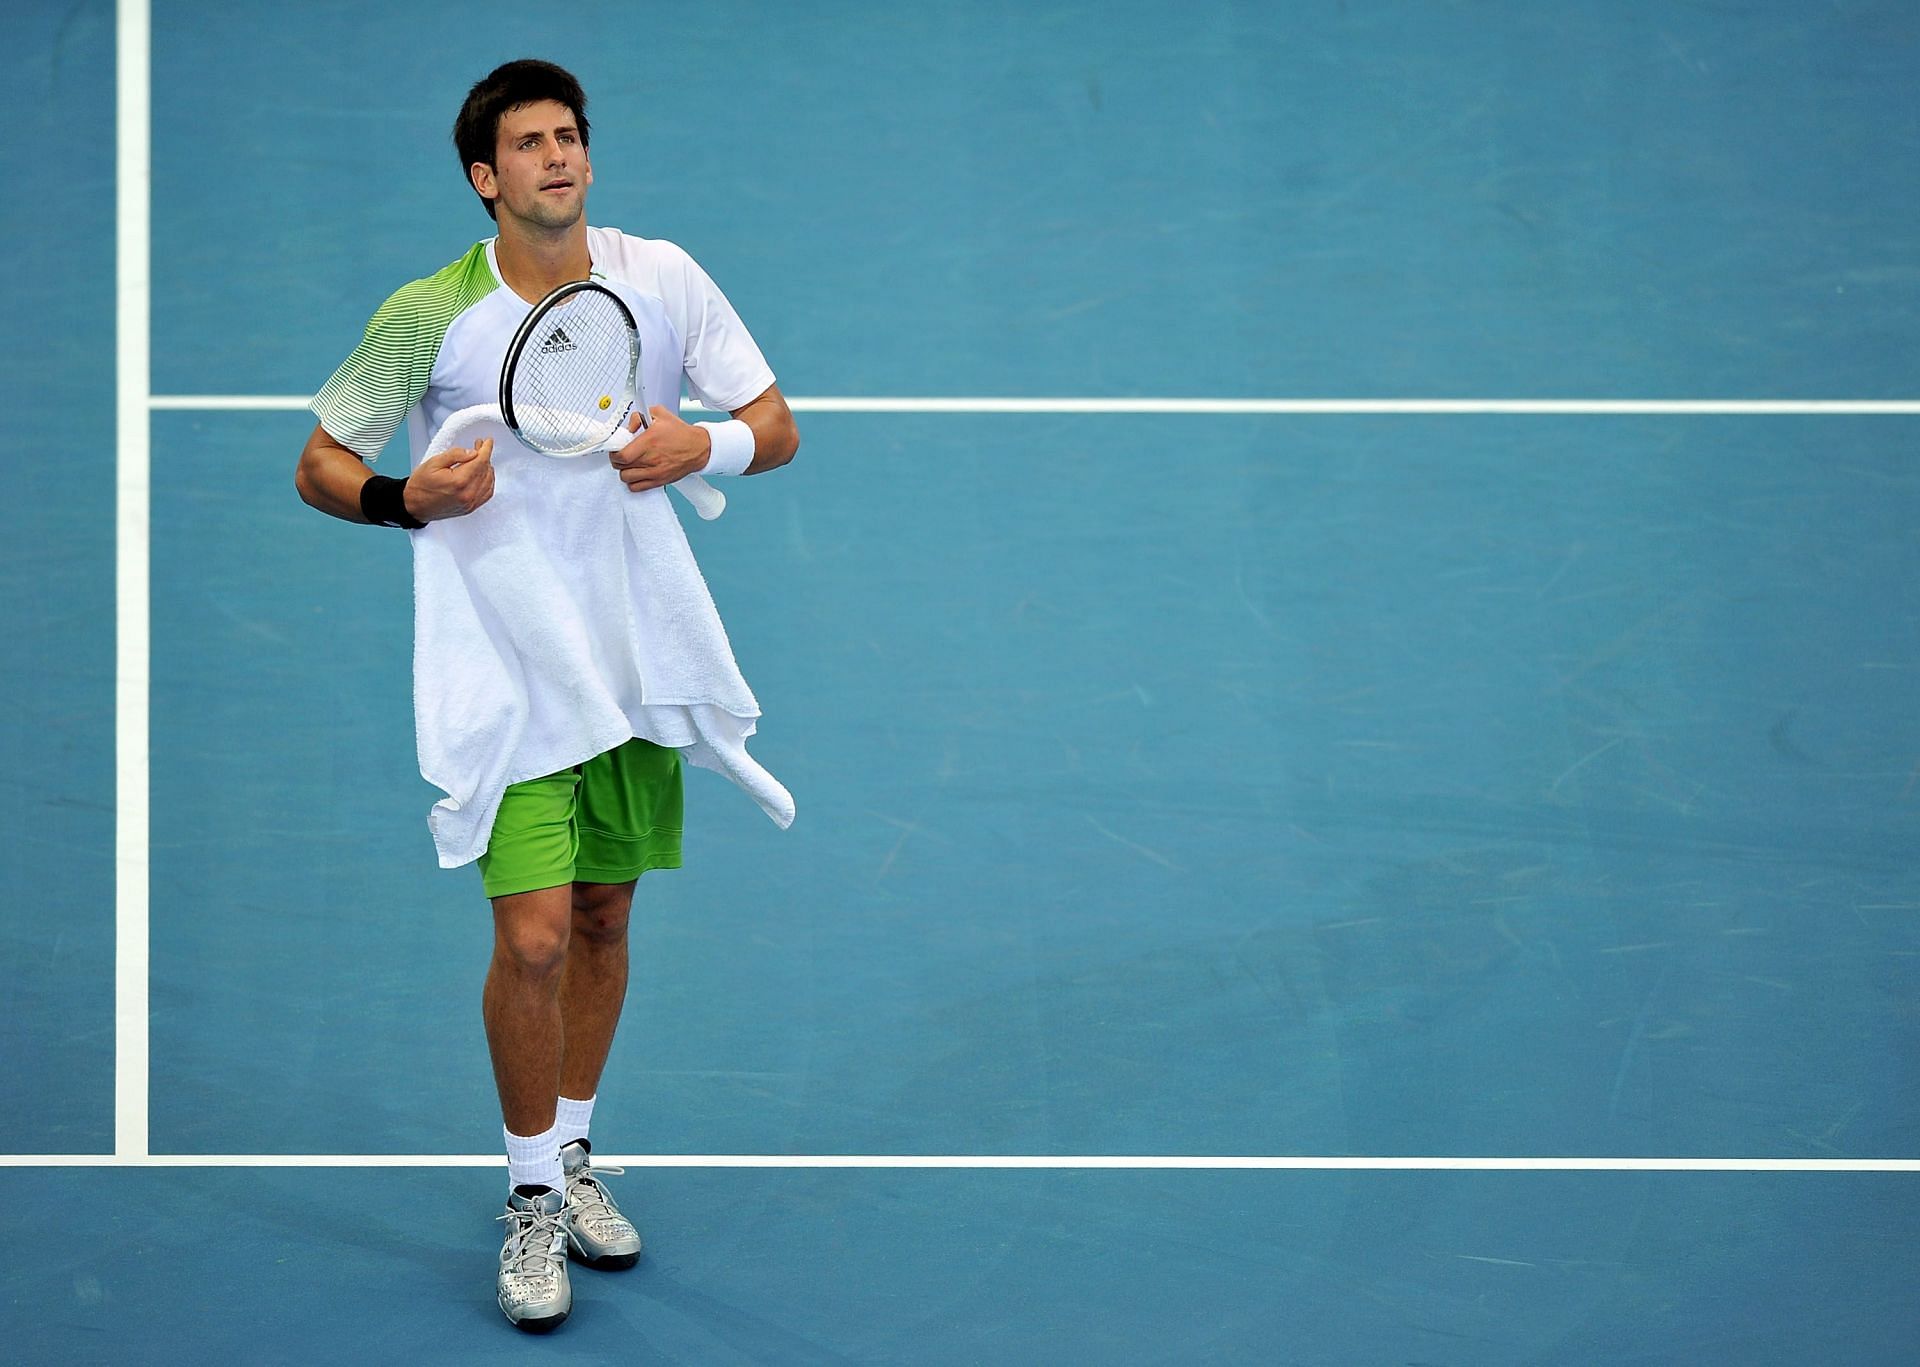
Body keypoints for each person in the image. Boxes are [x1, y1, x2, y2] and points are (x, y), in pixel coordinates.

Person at [294, 58, 798, 1333]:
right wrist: (408, 497)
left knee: (606, 922)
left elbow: (774, 422)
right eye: (529, 143)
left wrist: (707, 443)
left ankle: (571, 1151)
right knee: (529, 937)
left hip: (634, 660)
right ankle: (528, 1194)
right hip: (507, 670)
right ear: (487, 176)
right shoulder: (431, 314)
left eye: (570, 136)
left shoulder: (661, 276)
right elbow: (320, 460)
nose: (558, 158)